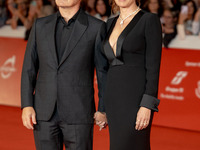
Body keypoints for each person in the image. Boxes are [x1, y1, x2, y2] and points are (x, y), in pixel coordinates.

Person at [21, 0, 108, 149]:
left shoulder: (96, 27)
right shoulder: (40, 25)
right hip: (43, 112)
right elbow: (29, 68)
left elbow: (103, 72)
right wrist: (27, 105)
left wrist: (103, 108)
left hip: (78, 111)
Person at [95, 0, 162, 149]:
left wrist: (147, 105)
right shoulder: (108, 24)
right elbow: (104, 70)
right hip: (113, 98)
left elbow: (153, 67)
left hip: (135, 98)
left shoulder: (148, 20)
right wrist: (103, 108)